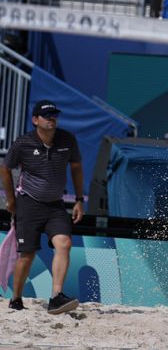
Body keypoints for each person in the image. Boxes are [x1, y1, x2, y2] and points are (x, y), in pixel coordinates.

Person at [0, 101, 83, 314]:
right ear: (35, 120)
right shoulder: (23, 143)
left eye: (54, 115)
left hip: (55, 204)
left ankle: (56, 297)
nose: (51, 118)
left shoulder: (67, 140)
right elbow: (5, 168)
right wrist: (11, 200)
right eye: (46, 115)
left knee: (64, 244)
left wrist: (79, 199)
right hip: (29, 203)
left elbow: (76, 167)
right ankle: (16, 298)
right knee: (27, 255)